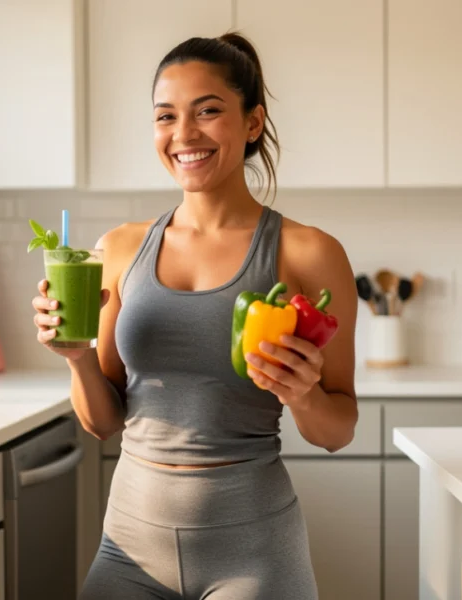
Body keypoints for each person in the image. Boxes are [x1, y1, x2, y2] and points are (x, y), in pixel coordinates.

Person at [33, 32, 358, 600]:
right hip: (129, 547)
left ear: (253, 122)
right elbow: (105, 422)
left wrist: (302, 393)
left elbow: (338, 429)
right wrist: (77, 359)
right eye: (166, 116)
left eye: (208, 111)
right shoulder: (120, 248)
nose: (184, 134)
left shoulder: (309, 253)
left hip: (253, 552)